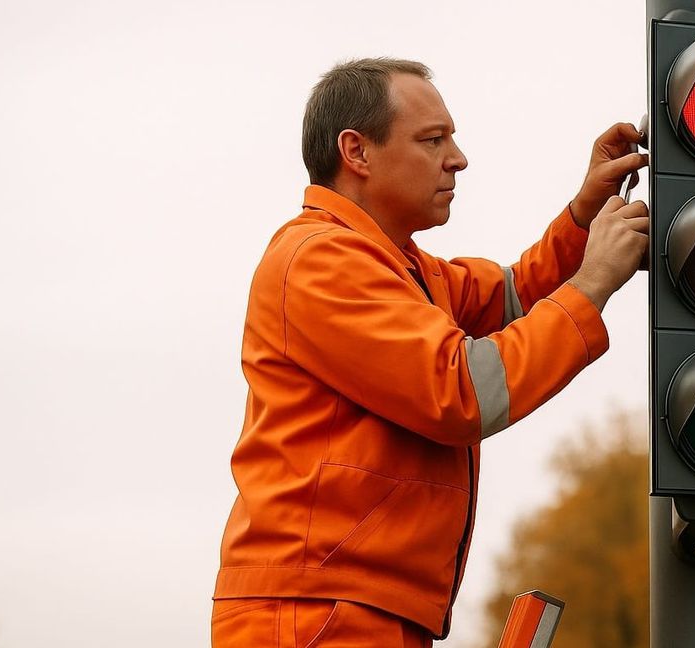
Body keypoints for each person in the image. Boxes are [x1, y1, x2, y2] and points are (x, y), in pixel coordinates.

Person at [210, 58, 648, 647]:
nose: (457, 159)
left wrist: (586, 212)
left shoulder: (402, 268)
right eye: (432, 139)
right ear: (356, 152)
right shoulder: (319, 260)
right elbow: (462, 391)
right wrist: (593, 283)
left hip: (350, 608)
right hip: (318, 613)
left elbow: (517, 294)